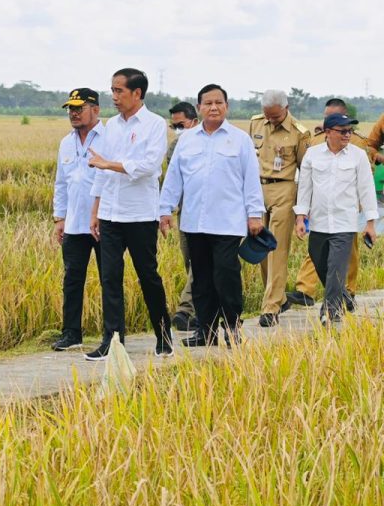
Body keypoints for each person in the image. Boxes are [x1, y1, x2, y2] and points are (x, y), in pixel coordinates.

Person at [159, 83, 265, 347]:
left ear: (226, 107)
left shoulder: (240, 140)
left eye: (219, 102)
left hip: (228, 223)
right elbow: (174, 178)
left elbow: (251, 180)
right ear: (199, 108)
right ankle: (205, 332)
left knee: (226, 277)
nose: (214, 107)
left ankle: (232, 328)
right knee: (202, 279)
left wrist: (255, 216)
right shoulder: (186, 140)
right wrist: (165, 210)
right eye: (208, 103)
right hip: (195, 222)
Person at [85, 68, 173, 360]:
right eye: (112, 90)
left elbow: (148, 166)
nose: (114, 97)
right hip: (110, 213)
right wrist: (95, 210)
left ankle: (164, 336)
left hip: (139, 215)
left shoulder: (154, 124)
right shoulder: (111, 126)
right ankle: (113, 341)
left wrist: (110, 164)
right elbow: (99, 168)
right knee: (109, 278)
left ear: (137, 93)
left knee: (148, 276)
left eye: (119, 91)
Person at [286, 99, 372, 310]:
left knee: (335, 268)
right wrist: (300, 216)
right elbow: (305, 188)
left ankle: (331, 314)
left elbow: (367, 189)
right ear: (328, 132)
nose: (347, 135)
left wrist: (370, 222)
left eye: (349, 131)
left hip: (345, 224)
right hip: (319, 224)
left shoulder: (358, 156)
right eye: (342, 131)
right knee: (320, 263)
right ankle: (344, 297)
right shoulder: (312, 155)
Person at [248, 90, 310, 327]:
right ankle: (280, 297)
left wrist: (302, 211)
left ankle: (270, 308)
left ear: (286, 108)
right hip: (257, 189)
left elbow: (306, 173)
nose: (271, 121)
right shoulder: (255, 124)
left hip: (284, 190)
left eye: (275, 116)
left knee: (277, 249)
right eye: (268, 116)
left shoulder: (299, 133)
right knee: (259, 248)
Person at [51, 88, 104, 351]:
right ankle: (71, 333)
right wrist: (59, 218)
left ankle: (112, 333)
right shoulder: (65, 142)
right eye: (70, 109)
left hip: (104, 223)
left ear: (95, 109)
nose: (73, 113)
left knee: (109, 279)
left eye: (78, 108)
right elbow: (61, 183)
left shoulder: (109, 138)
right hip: (73, 223)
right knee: (72, 279)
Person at [167, 101, 199, 331]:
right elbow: (172, 182)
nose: (178, 130)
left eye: (181, 125)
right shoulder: (174, 149)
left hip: (212, 215)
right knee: (190, 262)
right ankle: (202, 309)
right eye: (174, 126)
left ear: (194, 122)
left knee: (200, 263)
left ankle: (185, 310)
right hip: (185, 212)